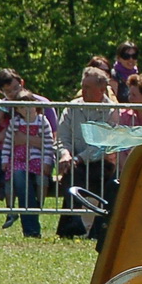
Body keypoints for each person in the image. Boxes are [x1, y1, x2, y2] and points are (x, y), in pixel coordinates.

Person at [0, 69, 58, 236]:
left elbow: (53, 138)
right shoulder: (1, 107)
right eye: (7, 91)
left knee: (21, 176)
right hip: (5, 154)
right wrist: (5, 139)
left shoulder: (41, 103)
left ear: (22, 83)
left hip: (39, 154)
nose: (13, 93)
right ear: (1, 92)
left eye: (15, 88)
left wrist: (24, 139)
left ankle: (31, 227)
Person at [55, 67, 118, 238]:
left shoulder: (111, 111)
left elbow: (102, 145)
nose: (83, 91)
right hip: (75, 161)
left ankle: (81, 225)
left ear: (102, 90)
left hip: (102, 162)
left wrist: (78, 158)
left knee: (85, 175)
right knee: (71, 172)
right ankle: (75, 222)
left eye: (88, 87)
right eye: (83, 86)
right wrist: (65, 154)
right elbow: (62, 137)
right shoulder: (72, 108)